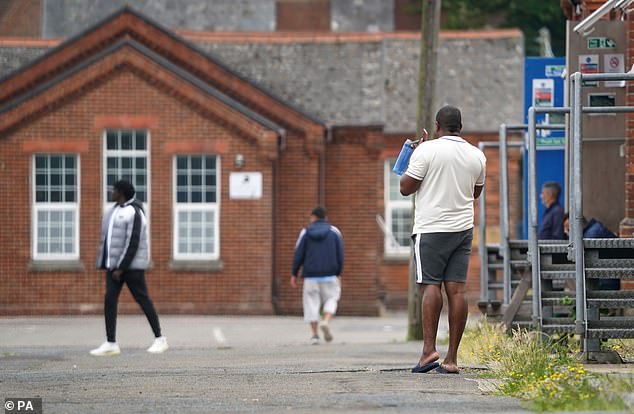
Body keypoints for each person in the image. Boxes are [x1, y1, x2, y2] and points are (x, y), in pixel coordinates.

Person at [400, 105, 486, 374]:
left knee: (430, 287)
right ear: (460, 126)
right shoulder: (477, 155)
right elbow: (475, 192)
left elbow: (405, 187)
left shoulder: (426, 150)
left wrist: (413, 155)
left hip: (432, 228)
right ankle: (451, 359)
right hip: (462, 229)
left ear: (437, 126)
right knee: (457, 291)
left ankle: (428, 351)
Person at [90, 179, 168, 356]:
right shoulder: (114, 210)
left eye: (114, 190)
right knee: (110, 300)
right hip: (114, 267)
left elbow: (133, 241)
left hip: (131, 267)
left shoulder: (135, 211)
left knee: (143, 300)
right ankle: (111, 342)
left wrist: (122, 267)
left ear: (121, 192)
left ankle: (160, 339)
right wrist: (107, 264)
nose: (112, 193)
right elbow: (108, 240)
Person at [291, 206, 344, 345]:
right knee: (332, 298)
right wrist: (338, 272)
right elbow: (340, 254)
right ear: (325, 217)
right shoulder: (334, 232)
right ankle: (325, 320)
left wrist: (294, 274)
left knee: (311, 304)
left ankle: (314, 335)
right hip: (331, 275)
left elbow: (298, 254)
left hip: (310, 276)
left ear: (313, 217)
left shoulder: (306, 232)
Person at [563, 213, 620, 291]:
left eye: (568, 229)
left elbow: (574, 253)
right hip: (606, 277)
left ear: (576, 227)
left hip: (607, 280)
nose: (566, 232)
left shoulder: (591, 234)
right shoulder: (592, 229)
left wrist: (570, 237)